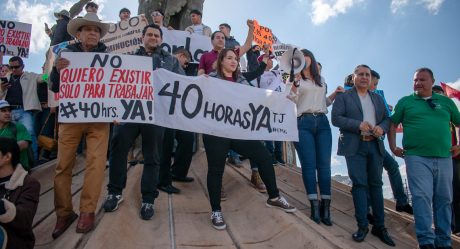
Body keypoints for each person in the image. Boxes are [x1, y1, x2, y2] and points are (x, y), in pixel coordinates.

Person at [204, 48, 296, 230]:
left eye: (236, 59)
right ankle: (216, 211)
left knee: (264, 157)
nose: (233, 61)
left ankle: (274, 197)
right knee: (216, 170)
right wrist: (203, 84)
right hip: (215, 132)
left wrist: (282, 98)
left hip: (239, 131)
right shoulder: (210, 79)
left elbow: (259, 98)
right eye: (229, 58)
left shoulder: (242, 80)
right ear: (221, 61)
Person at [103, 24, 183, 219]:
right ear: (142, 37)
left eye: (157, 35)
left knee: (152, 156)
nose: (153, 37)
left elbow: (183, 83)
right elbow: (113, 82)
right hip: (128, 112)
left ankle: (148, 199)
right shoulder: (127, 57)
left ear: (161, 39)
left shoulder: (171, 61)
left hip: (156, 115)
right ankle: (115, 191)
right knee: (118, 149)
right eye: (150, 34)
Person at [49, 12, 110, 238]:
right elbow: (54, 88)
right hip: (71, 118)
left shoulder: (109, 56)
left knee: (96, 163)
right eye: (88, 29)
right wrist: (56, 71)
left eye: (96, 30)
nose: (93, 33)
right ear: (79, 33)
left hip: (99, 120)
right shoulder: (65, 55)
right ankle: (64, 214)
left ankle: (87, 211)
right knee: (63, 165)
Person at [388, 68, 460, 249]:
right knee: (421, 197)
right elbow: (392, 123)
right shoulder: (405, 102)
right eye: (415, 80)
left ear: (432, 80)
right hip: (416, 157)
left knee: (444, 199)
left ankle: (444, 241)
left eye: (422, 79)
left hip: (444, 157)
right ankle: (426, 241)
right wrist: (393, 147)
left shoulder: (446, 102)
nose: (418, 83)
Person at [331, 64, 395, 246]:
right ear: (353, 77)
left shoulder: (377, 98)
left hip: (374, 145)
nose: (364, 77)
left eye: (367, 74)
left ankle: (380, 227)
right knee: (359, 185)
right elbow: (336, 119)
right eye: (360, 74)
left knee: (376, 185)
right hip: (354, 146)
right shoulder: (344, 97)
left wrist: (381, 129)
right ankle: (362, 226)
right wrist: (358, 124)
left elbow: (387, 119)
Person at [287, 49, 343, 226]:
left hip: (322, 123)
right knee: (309, 166)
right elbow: (290, 100)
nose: (304, 58)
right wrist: (294, 84)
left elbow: (323, 102)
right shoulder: (295, 79)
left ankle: (326, 208)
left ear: (311, 58)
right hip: (303, 122)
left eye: (306, 55)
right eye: (300, 57)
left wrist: (334, 94)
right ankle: (314, 206)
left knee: (324, 166)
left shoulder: (321, 80)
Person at [368, 70, 413, 215]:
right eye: (373, 84)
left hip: (378, 142)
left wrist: (387, 110)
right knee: (373, 176)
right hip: (365, 143)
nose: (375, 87)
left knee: (393, 166)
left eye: (376, 85)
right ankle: (370, 208)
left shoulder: (377, 98)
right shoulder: (356, 98)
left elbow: (387, 120)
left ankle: (401, 201)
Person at [1, 56, 46, 165]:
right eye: (11, 67)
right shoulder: (5, 78)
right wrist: (2, 89)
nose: (14, 69)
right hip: (8, 111)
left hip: (24, 111)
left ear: (23, 66)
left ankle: (33, 161)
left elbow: (44, 77)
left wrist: (54, 70)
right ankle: (13, 162)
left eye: (16, 67)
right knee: (8, 136)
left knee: (29, 134)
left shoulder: (30, 76)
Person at [0, 137, 40, 249]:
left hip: (14, 241)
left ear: (7, 157)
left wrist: (4, 208)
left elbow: (25, 218)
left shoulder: (28, 183)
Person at [0, 100, 32, 170]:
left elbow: (24, 144)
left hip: (20, 169)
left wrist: (3, 152)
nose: (8, 113)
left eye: (9, 111)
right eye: (3, 111)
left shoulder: (18, 126)